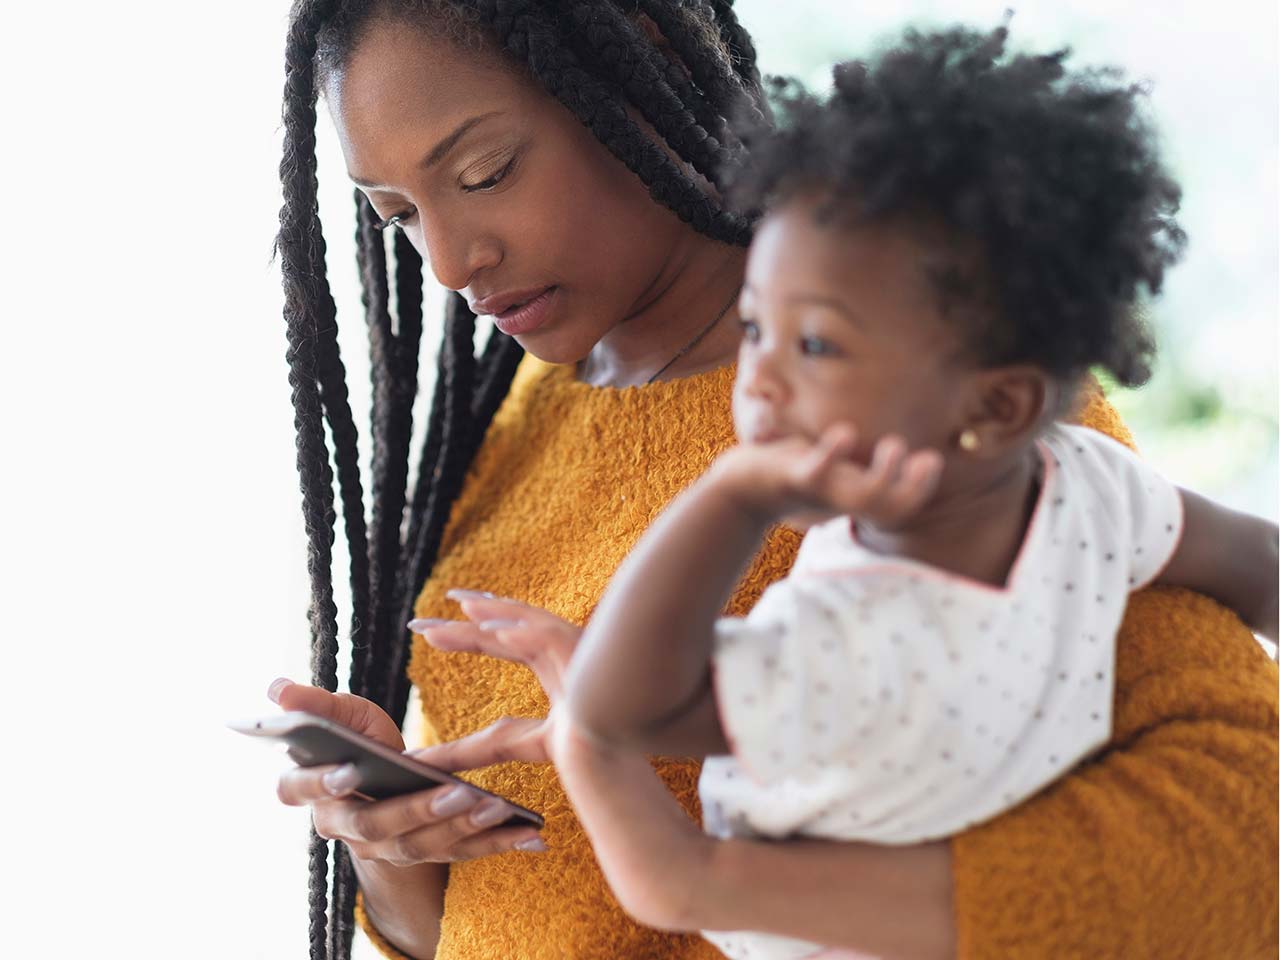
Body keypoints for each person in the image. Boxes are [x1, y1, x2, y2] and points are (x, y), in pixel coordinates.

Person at [268, 2, 1278, 959]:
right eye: (396, 213)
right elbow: (525, 898)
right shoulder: (510, 411)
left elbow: (1242, 837)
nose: (448, 261)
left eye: (483, 173)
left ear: (645, 69)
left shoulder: (919, 392)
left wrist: (717, 885)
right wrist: (392, 857)